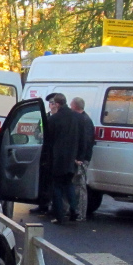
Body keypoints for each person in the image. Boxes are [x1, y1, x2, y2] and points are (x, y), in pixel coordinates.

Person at [47, 93, 84, 224]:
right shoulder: (77, 117)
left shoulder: (54, 119)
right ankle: (74, 210)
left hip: (57, 158)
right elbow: (82, 137)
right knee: (69, 184)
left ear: (57, 104)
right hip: (71, 158)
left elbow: (48, 140)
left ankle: (59, 215)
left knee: (56, 187)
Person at [70, 97, 95, 221]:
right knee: (77, 185)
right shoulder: (85, 119)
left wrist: (79, 158)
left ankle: (80, 213)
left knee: (80, 186)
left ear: (74, 107)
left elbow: (85, 141)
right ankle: (77, 211)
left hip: (82, 159)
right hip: (82, 157)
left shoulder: (84, 121)